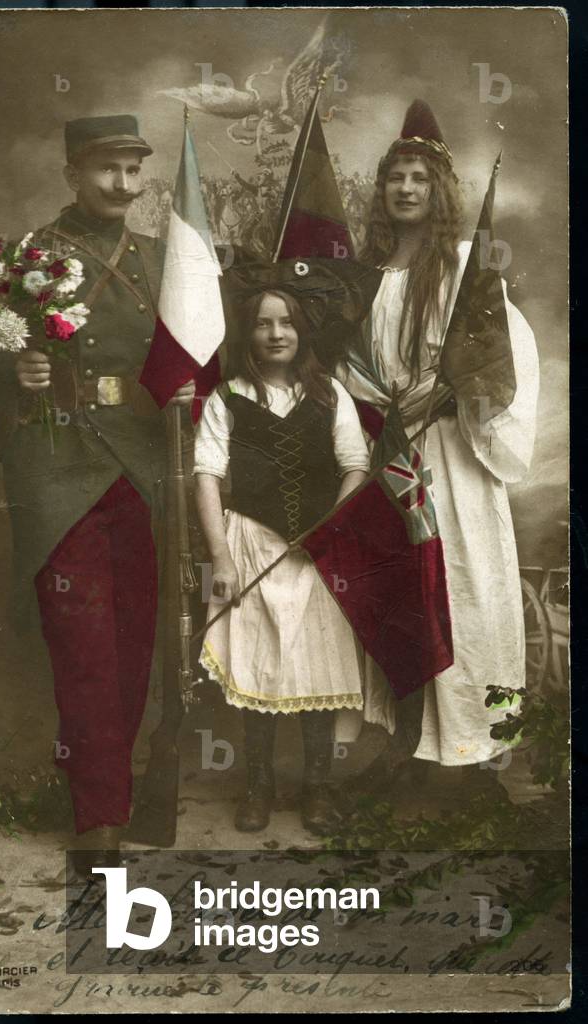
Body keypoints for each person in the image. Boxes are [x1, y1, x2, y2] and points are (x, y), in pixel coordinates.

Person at [0, 115, 194, 874]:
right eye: (106, 169)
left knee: (134, 642)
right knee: (85, 644)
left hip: (141, 462)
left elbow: (196, 350)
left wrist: (190, 381)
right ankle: (99, 822)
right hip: (56, 462)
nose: (123, 185)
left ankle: (111, 791)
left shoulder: (161, 260)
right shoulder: (28, 257)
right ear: (71, 172)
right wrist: (13, 373)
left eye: (134, 170)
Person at [333, 100, 539, 788]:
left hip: (454, 451)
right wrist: (377, 404)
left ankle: (479, 752)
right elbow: (349, 367)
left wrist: (448, 390)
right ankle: (410, 748)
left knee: (465, 587)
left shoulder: (464, 270)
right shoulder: (371, 275)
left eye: (420, 178)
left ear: (440, 190)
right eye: (396, 177)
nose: (407, 189)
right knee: (403, 591)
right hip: (394, 448)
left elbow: (502, 358)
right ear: (383, 190)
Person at [194, 262, 370, 834]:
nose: (276, 334)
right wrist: (220, 558)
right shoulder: (228, 397)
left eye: (287, 323)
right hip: (250, 545)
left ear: (302, 332)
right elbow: (205, 476)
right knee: (261, 669)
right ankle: (258, 785)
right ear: (248, 334)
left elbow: (355, 466)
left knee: (314, 670)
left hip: (316, 557)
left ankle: (317, 787)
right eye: (264, 324)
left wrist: (331, 528)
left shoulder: (330, 393)